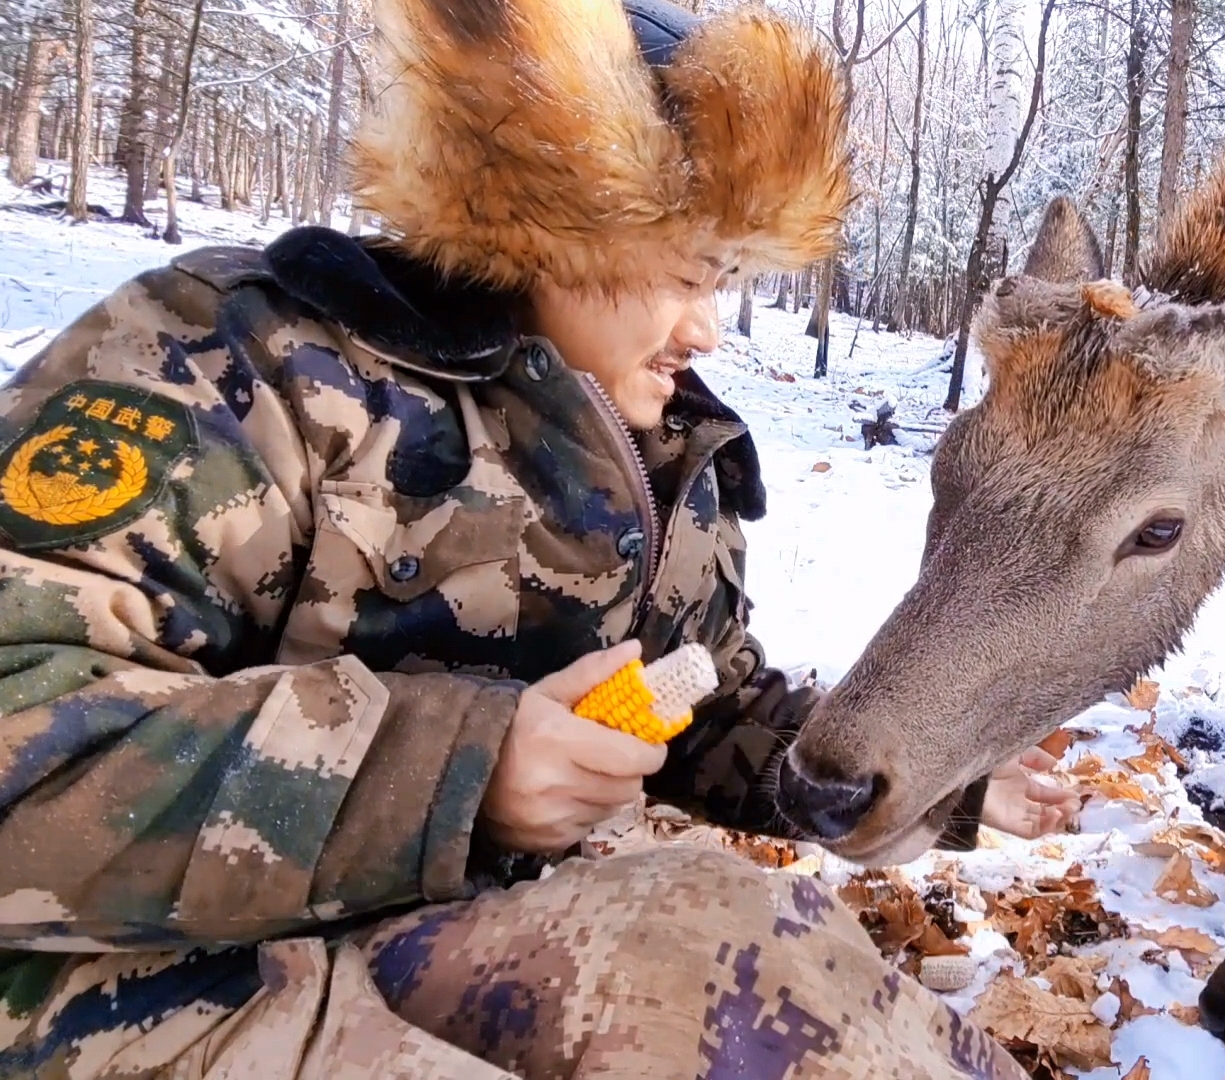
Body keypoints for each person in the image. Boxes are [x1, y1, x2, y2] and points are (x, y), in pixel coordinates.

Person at [0, 0, 1073, 1075]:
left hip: (440, 939)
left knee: (778, 971)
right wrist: (462, 771)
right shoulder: (236, 363)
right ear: (564, 217)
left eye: (728, 279)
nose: (707, 329)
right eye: (689, 274)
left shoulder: (659, 447)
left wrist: (933, 776)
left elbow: (696, 707)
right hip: (133, 980)